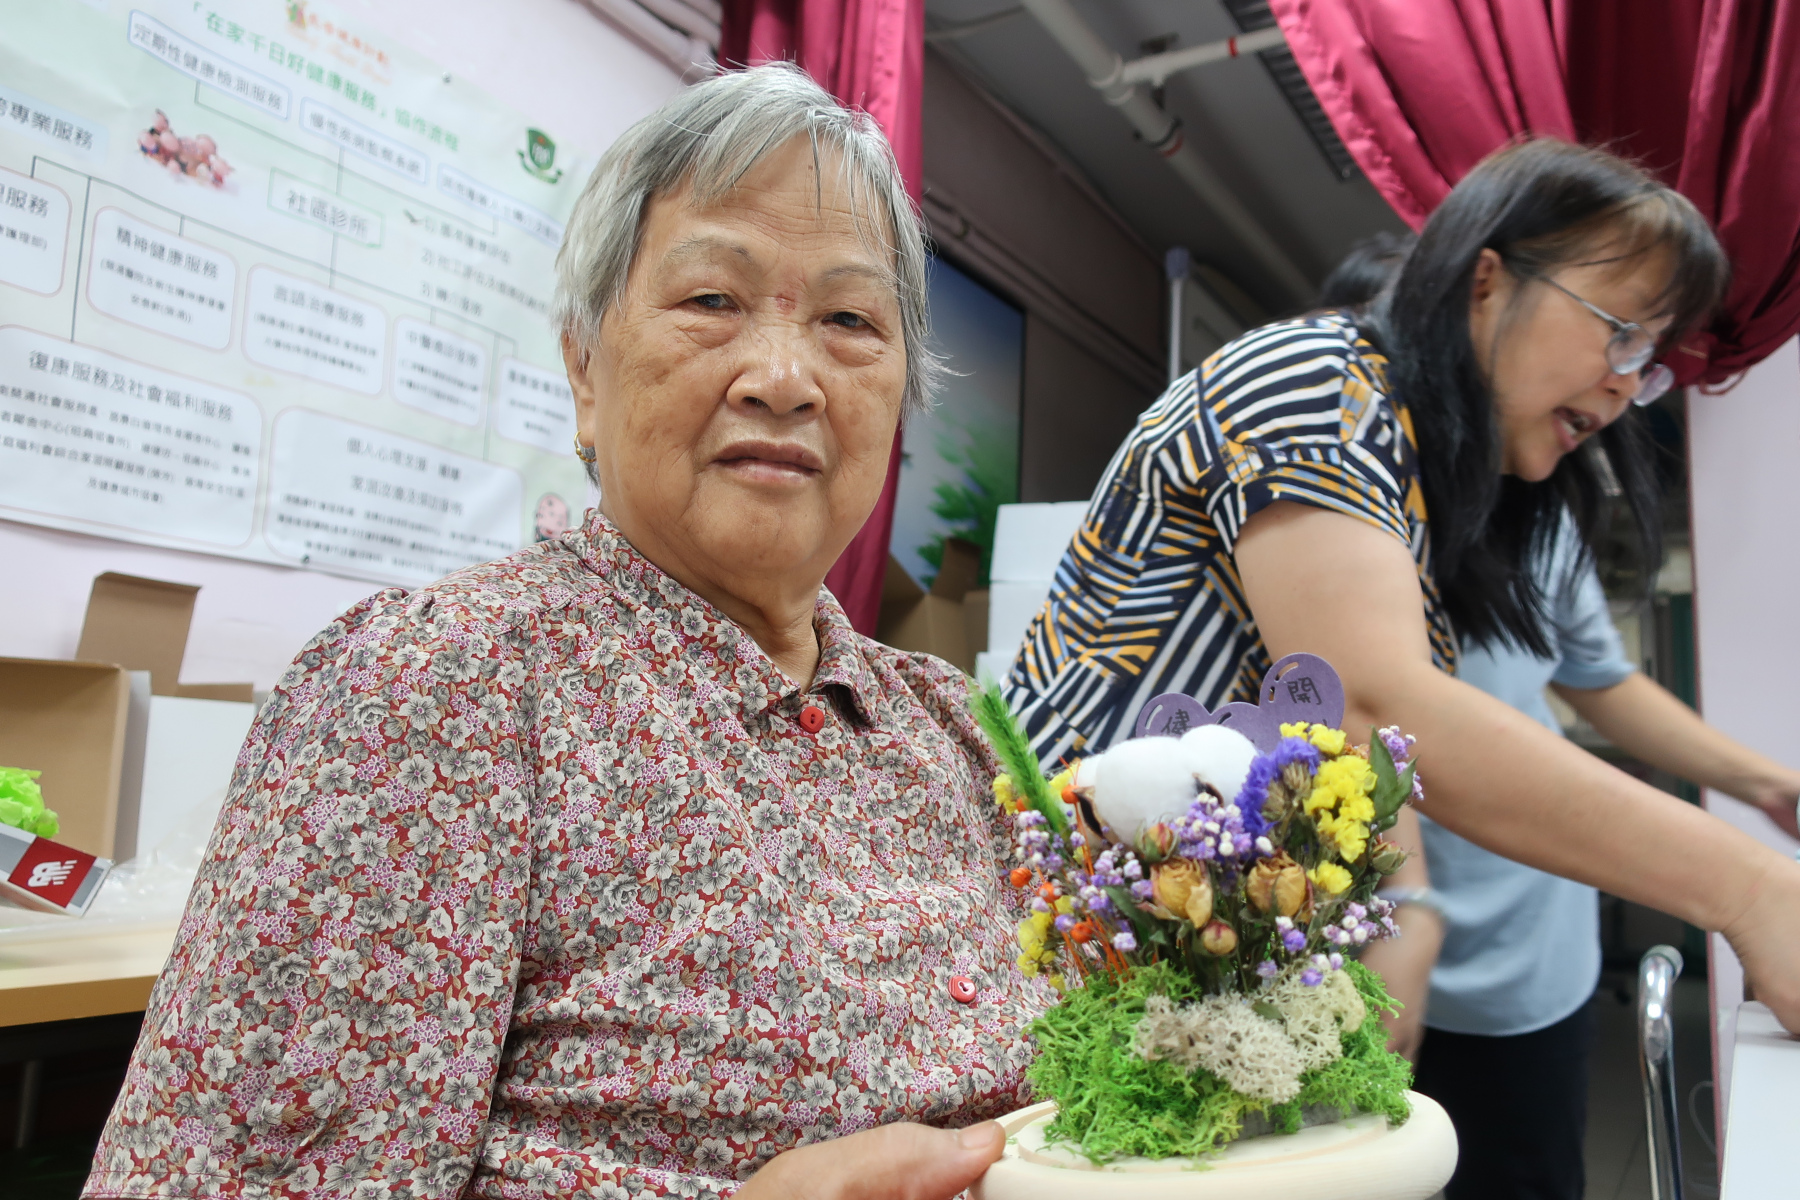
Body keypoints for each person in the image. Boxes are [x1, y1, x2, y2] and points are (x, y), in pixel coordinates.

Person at [85, 64, 1036, 1200]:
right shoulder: (440, 687)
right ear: (585, 367)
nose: (786, 379)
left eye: (849, 321)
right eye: (712, 300)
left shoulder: (954, 731)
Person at [1003, 135, 1800, 1064]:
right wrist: (1752, 889)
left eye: (1650, 357)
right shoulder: (1316, 386)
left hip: (1162, 952)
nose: (1628, 382)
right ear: (1487, 282)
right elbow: (1377, 703)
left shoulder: (1416, 472)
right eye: (1619, 329)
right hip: (1046, 941)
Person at [1314, 232, 1800, 1198]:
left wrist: (1762, 782)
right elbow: (1363, 710)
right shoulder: (1322, 498)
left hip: (1523, 940)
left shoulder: (1539, 513)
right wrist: (1406, 903)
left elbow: (1596, 677)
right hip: (1356, 933)